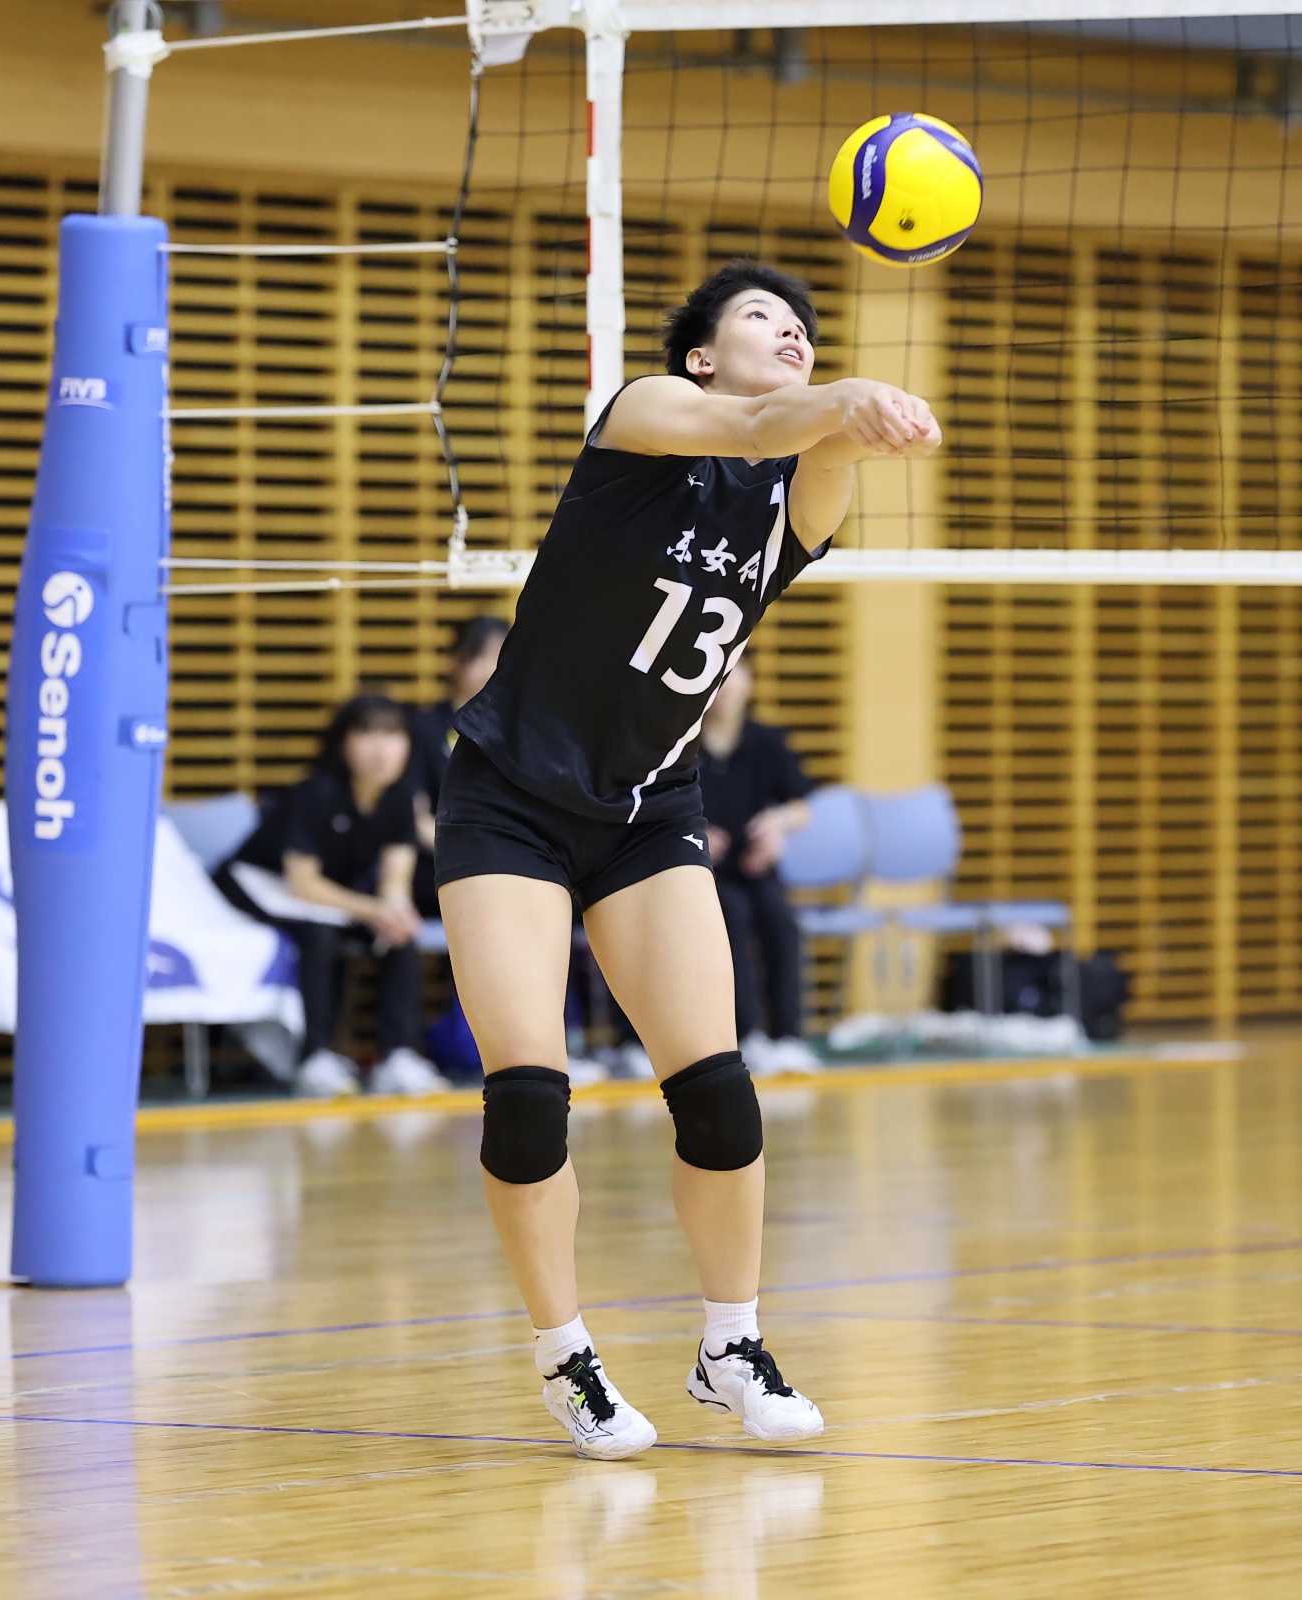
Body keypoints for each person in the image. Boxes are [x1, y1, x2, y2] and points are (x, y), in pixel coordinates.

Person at [435, 259, 938, 1458]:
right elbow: (757, 424)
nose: (795, 333)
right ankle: (565, 1357)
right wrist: (848, 394)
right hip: (509, 797)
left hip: (649, 810)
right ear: (703, 352)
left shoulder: (793, 499)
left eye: (808, 326)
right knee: (529, 1097)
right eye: (767, 317)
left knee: (716, 1088)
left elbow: (812, 449)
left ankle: (731, 1345)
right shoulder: (646, 412)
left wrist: (868, 419)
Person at [214, 695, 441, 1098]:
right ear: (343, 743)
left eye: (393, 735)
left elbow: (397, 874)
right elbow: (302, 883)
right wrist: (372, 910)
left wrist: (393, 909)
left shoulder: (400, 799)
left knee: (399, 934)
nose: (382, 749)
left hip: (329, 895)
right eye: (367, 734)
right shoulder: (316, 792)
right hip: (259, 885)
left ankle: (399, 1055)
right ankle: (313, 1057)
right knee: (319, 937)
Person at [697, 657, 818, 1076]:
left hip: (755, 865)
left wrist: (778, 824)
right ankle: (745, 1034)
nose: (729, 684)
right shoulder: (682, 745)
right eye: (721, 675)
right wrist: (694, 833)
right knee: (731, 915)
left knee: (779, 918)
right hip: (706, 873)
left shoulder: (766, 741)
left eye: (737, 673)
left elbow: (802, 805)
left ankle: (788, 1036)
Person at [407, 615, 508, 916]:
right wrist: (477, 854)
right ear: (455, 660)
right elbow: (415, 817)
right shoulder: (423, 728)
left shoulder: (519, 730)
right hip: (441, 862)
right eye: (481, 657)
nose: (492, 669)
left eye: (501, 659)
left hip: (507, 862)